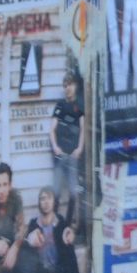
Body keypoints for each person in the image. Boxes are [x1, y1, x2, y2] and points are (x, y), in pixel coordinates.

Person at [23, 186, 83, 273]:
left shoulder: (60, 222)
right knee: (25, 253)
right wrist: (30, 239)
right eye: (42, 199)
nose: (46, 202)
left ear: (54, 201)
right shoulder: (33, 224)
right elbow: (27, 241)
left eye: (49, 198)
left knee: (69, 247)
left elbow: (69, 235)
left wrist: (71, 234)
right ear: (39, 203)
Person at [51, 70, 87, 208]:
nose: (68, 88)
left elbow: (83, 128)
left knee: (73, 192)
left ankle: (69, 222)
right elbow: (52, 130)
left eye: (70, 84)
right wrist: (55, 147)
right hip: (61, 155)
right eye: (65, 85)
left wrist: (79, 148)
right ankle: (55, 223)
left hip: (73, 155)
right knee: (56, 191)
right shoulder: (60, 105)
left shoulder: (79, 106)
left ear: (75, 86)